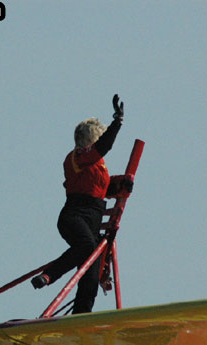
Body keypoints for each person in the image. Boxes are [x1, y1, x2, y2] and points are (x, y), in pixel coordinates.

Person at [31, 94, 132, 314]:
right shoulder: (77, 157)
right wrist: (117, 123)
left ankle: (79, 320)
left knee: (90, 279)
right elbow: (103, 148)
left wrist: (123, 185)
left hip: (92, 220)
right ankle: (49, 275)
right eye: (96, 139)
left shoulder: (98, 166)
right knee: (86, 246)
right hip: (74, 217)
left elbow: (101, 189)